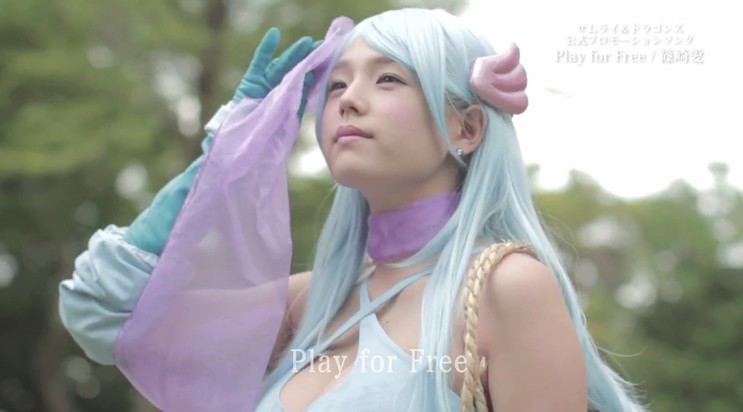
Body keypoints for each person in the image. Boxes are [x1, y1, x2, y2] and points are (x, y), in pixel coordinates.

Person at [59, 7, 647, 412]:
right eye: (336, 85)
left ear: (466, 128)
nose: (349, 101)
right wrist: (227, 151)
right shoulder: (310, 304)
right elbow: (104, 313)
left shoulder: (506, 287)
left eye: (387, 78)